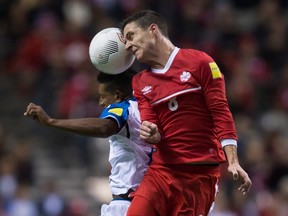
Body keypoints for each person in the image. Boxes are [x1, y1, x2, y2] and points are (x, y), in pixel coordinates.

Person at [119, 10, 252, 216]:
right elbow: (152, 124)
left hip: (198, 174)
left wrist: (233, 161)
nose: (127, 45)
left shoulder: (200, 62)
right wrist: (153, 134)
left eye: (131, 36)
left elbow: (221, 112)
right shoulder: (140, 82)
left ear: (152, 30)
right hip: (162, 171)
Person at [24, 68, 153, 216]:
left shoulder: (123, 108)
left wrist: (51, 122)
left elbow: (105, 127)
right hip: (148, 197)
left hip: (128, 203)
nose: (100, 102)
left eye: (103, 96)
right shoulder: (146, 107)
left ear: (117, 95)